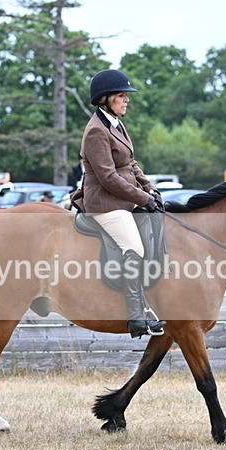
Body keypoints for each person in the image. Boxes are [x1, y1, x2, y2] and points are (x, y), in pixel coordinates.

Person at [69, 69, 165, 338]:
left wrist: (150, 189)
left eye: (126, 96)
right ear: (106, 98)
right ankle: (136, 316)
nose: (127, 100)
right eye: (122, 96)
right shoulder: (96, 132)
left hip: (122, 200)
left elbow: (130, 164)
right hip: (105, 204)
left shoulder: (115, 124)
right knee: (133, 246)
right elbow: (108, 177)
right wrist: (143, 199)